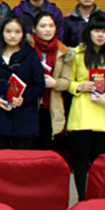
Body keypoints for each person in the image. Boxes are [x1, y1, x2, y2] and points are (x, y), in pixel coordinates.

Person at [67, 13, 105, 200]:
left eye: (104, 31)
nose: (100, 35)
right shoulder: (77, 53)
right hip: (83, 113)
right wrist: (80, 86)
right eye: (96, 31)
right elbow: (67, 81)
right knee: (80, 161)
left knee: (100, 161)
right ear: (89, 32)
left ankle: (97, 198)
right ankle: (82, 198)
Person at [0, 14, 46, 150]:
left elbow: (39, 86)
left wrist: (23, 98)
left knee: (21, 160)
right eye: (8, 31)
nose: (12, 36)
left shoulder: (31, 54)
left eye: (17, 32)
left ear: (23, 34)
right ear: (2, 32)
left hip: (24, 118)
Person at [29, 10, 72, 151]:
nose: (47, 30)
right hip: (30, 104)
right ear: (34, 29)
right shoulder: (26, 48)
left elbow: (67, 81)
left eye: (51, 26)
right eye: (43, 26)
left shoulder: (63, 51)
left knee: (48, 148)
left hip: (52, 104)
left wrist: (55, 83)